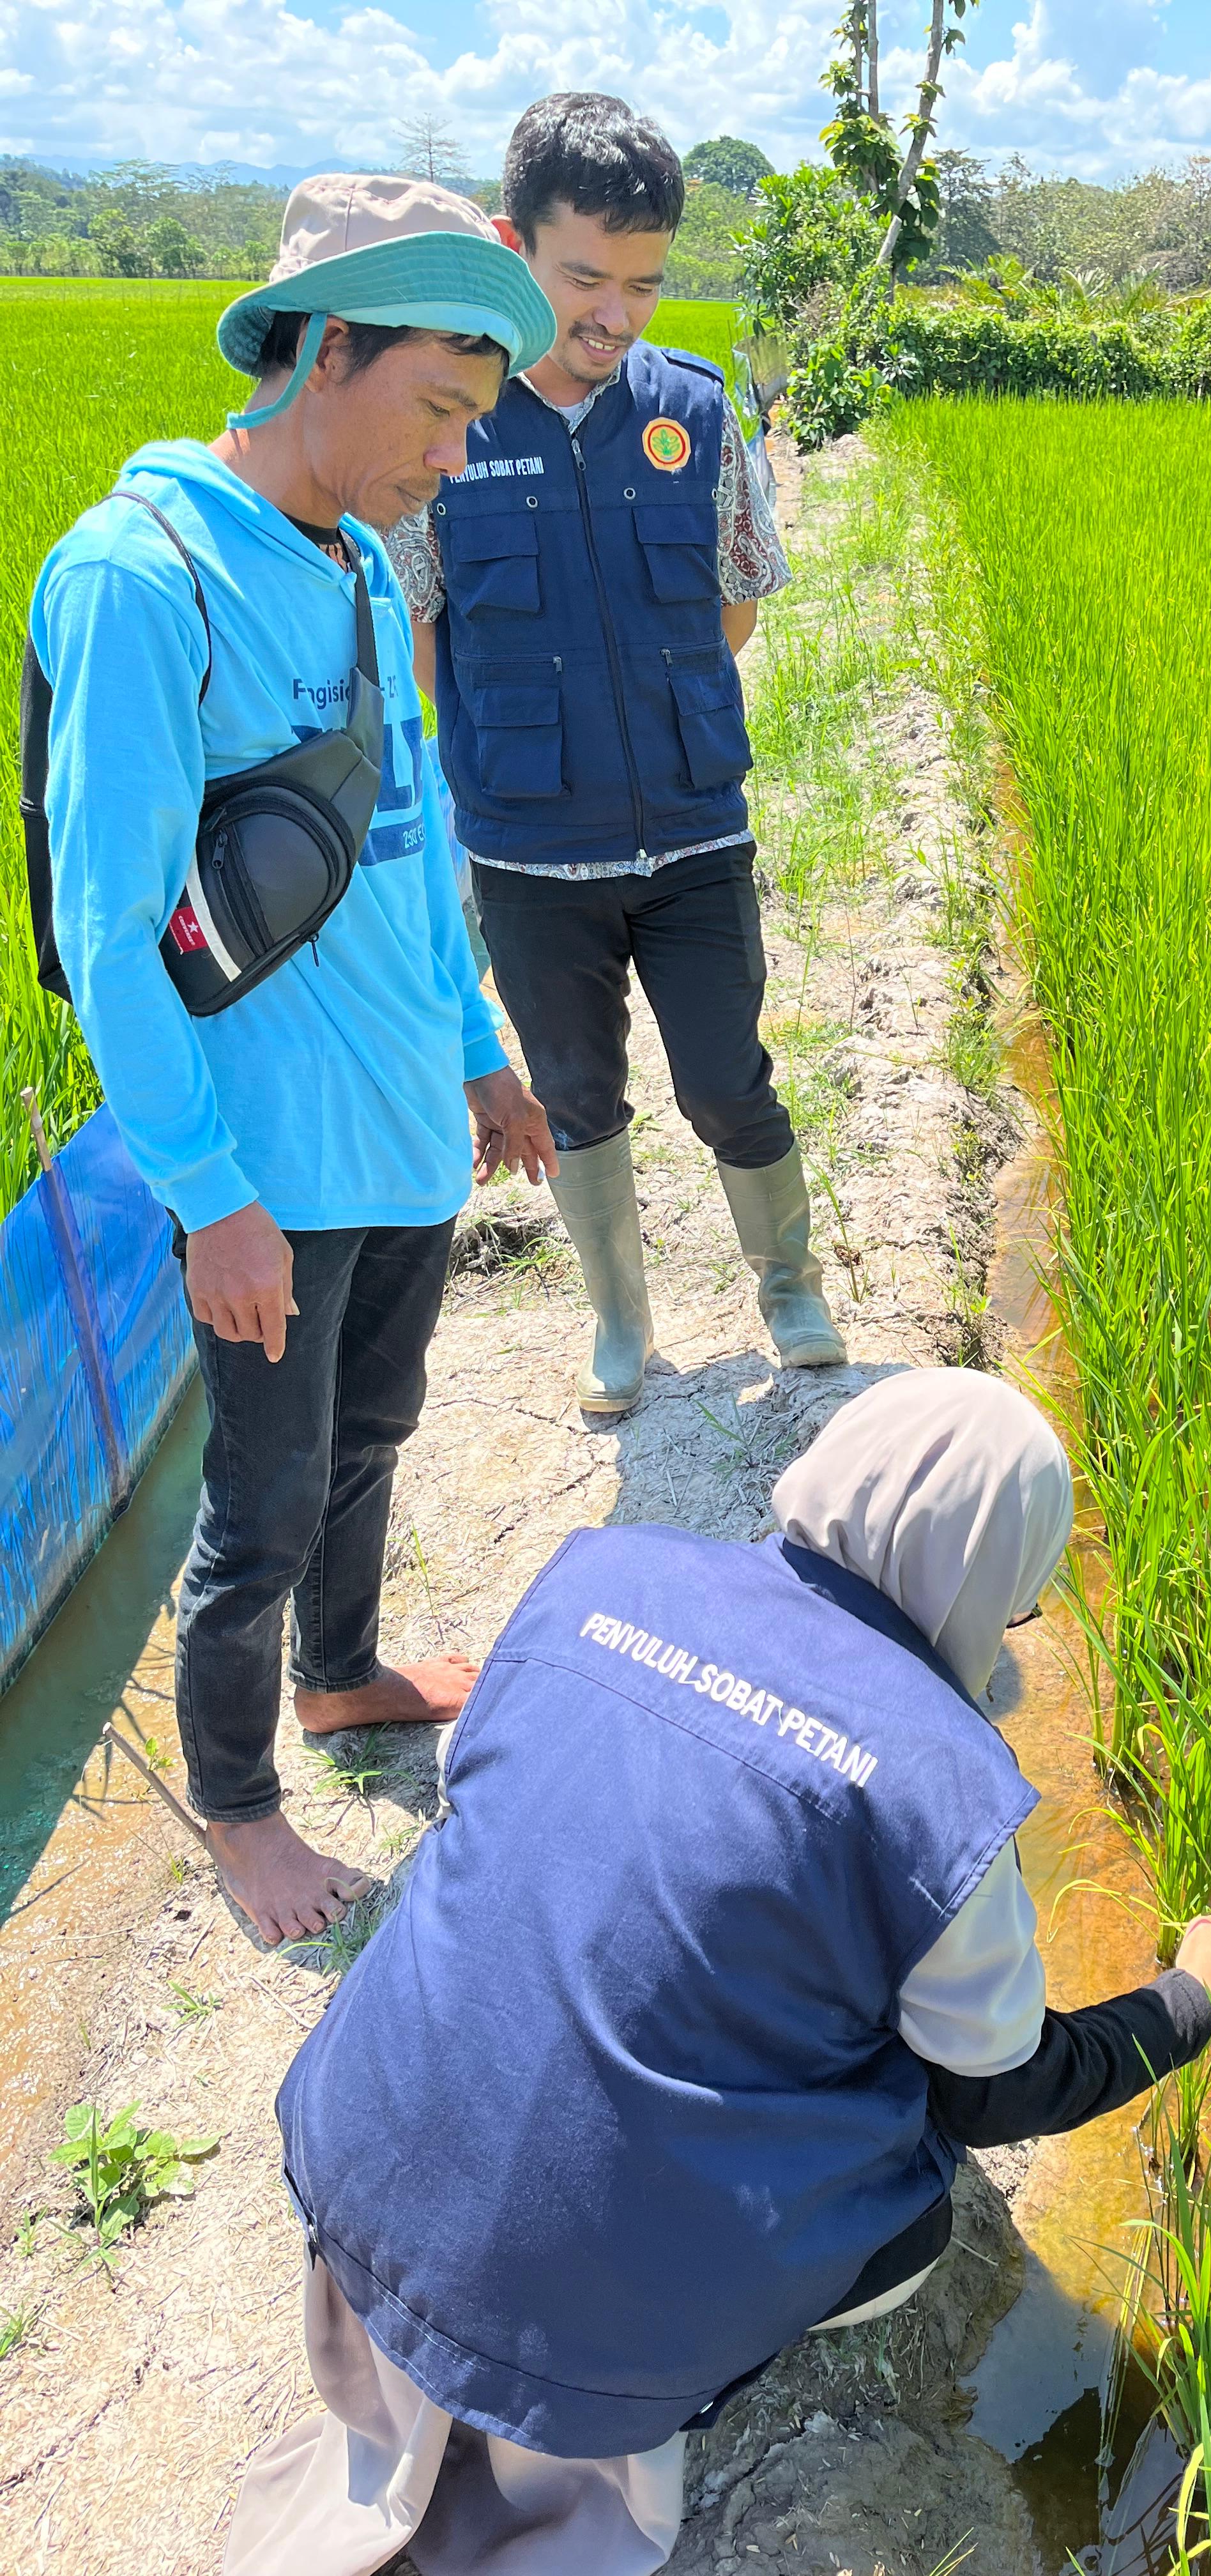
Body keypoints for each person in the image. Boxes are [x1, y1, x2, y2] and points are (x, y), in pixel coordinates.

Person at [222, 1370, 1211, 2574]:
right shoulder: (945, 1791)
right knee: (916, 2198)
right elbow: (1003, 2091)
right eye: (1024, 1603)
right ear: (994, 1582)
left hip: (350, 2161)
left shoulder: (602, 1573)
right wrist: (1189, 1996)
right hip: (576, 2338)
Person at [29, 176, 561, 1947]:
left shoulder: (358, 568)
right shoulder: (144, 576)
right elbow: (112, 933)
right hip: (269, 1163)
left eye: (474, 421)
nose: (452, 458)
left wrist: (480, 1051)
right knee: (255, 1507)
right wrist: (211, 1199)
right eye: (436, 407)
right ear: (328, 350)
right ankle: (244, 1810)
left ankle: (342, 1678)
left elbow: (406, 849)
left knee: (374, 1429)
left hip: (402, 1126)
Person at [386, 91, 846, 1417]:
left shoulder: (693, 409)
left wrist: (646, 701)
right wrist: (529, 743)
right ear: (513, 246)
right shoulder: (451, 423)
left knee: (729, 1079)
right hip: (530, 853)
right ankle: (620, 1323)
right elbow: (422, 638)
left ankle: (789, 1286)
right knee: (579, 1095)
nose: (615, 314)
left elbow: (735, 604)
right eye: (585, 278)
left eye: (643, 284)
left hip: (694, 833)